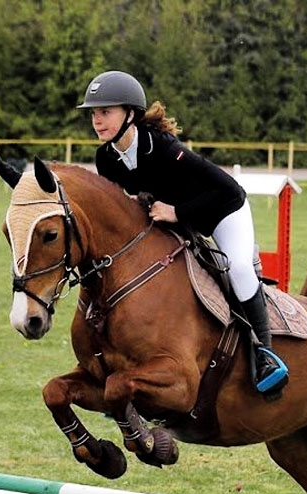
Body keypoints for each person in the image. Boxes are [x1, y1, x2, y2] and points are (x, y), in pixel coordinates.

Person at [77, 70, 288, 398]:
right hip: (173, 223)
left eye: (105, 112)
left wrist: (177, 212)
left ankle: (265, 354)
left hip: (222, 211)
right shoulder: (106, 158)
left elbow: (224, 189)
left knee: (240, 267)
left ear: (130, 114)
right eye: (93, 114)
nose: (97, 120)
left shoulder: (162, 148)